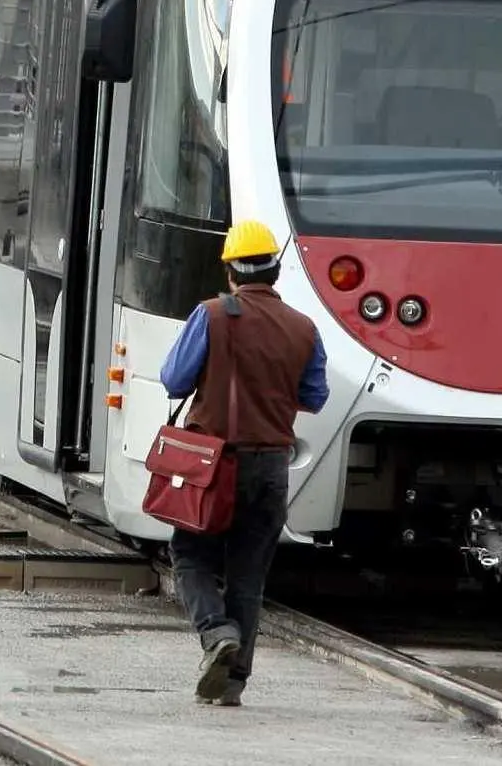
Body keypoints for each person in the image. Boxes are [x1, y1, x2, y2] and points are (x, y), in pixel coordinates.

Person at [158, 219, 329, 707]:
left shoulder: (211, 315)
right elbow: (314, 397)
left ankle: (216, 633)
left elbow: (174, 380)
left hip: (216, 466)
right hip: (272, 465)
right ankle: (232, 686)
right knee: (249, 574)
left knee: (191, 556)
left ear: (232, 271)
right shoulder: (304, 328)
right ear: (275, 271)